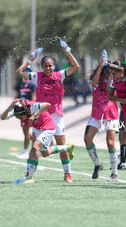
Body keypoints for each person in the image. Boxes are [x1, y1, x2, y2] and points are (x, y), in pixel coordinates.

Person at [16, 40, 79, 183]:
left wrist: (67, 51)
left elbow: (76, 66)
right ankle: (30, 175)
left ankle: (67, 173)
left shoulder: (59, 75)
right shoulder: (37, 76)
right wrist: (29, 60)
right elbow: (19, 72)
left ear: (54, 66)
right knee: (43, 151)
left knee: (58, 143)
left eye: (50, 66)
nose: (48, 68)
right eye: (45, 66)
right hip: (42, 116)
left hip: (56, 116)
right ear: (41, 67)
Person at [1, 99, 74, 184]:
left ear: (25, 112)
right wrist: (10, 106)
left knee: (35, 147)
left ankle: (30, 177)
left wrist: (34, 115)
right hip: (38, 128)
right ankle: (67, 147)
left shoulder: (32, 106)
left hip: (48, 127)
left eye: (21, 118)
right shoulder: (18, 110)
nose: (20, 120)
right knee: (44, 153)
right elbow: (3, 117)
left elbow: (47, 104)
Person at [84, 56, 119, 181]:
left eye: (110, 71)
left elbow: (109, 89)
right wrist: (100, 65)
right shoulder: (97, 80)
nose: (108, 72)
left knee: (110, 142)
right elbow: (94, 83)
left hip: (111, 112)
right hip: (97, 113)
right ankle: (97, 164)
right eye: (106, 70)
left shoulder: (114, 80)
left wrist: (111, 75)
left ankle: (114, 173)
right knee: (87, 139)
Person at [16, 67, 36, 159]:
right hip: (22, 111)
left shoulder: (32, 84)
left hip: (28, 110)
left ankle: (25, 151)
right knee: (25, 132)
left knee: (26, 131)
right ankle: (42, 144)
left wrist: (31, 109)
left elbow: (34, 97)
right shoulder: (22, 84)